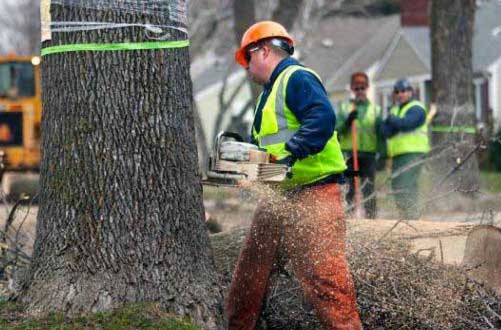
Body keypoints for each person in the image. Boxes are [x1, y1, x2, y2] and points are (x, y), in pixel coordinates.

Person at [225, 21, 362, 330]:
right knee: (250, 274)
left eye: (247, 61)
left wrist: (293, 150)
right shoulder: (267, 96)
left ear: (261, 52)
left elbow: (322, 117)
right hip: (278, 196)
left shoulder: (296, 78)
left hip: (315, 193)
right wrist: (243, 155)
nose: (247, 69)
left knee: (325, 277)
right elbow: (269, 150)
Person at [381, 79, 430, 220]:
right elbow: (384, 131)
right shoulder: (396, 110)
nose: (400, 94)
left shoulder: (417, 108)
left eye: (403, 91)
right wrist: (396, 122)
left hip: (413, 153)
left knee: (405, 185)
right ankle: (406, 217)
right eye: (397, 91)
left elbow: (407, 124)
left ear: (410, 92)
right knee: (398, 186)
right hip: (398, 155)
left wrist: (393, 121)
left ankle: (411, 217)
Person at [336, 72, 382, 219]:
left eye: (362, 87)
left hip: (368, 154)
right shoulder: (344, 108)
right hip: (349, 155)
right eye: (356, 88)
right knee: (349, 188)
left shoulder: (375, 110)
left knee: (368, 187)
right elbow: (337, 131)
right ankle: (349, 217)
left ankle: (371, 218)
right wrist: (348, 122)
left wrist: (383, 154)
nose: (360, 91)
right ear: (352, 89)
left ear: (367, 87)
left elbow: (381, 134)